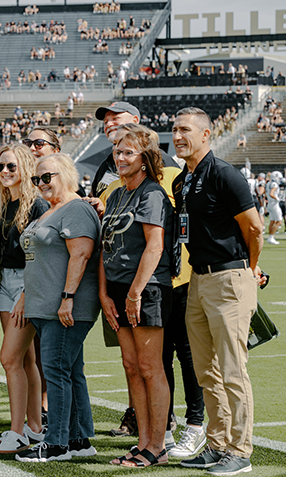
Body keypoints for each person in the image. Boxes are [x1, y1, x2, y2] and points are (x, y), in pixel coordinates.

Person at [172, 107, 263, 475]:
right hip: (198, 279)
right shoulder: (183, 179)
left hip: (229, 278)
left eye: (186, 130)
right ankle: (218, 443)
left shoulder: (225, 173)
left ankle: (240, 451)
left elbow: (254, 228)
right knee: (205, 370)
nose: (178, 136)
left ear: (207, 134)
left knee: (232, 369)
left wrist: (249, 268)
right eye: (175, 129)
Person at [15, 154, 100, 463]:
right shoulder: (52, 210)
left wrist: (67, 296)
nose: (41, 184)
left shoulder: (76, 209)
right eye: (37, 179)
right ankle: (78, 439)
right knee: (71, 371)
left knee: (57, 372)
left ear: (65, 174)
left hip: (63, 308)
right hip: (46, 306)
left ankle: (56, 444)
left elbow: (81, 254)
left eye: (46, 177)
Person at [98, 124, 173, 468]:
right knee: (130, 367)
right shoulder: (115, 194)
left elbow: (155, 246)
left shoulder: (152, 193)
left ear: (144, 159)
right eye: (117, 151)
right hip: (117, 289)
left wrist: (135, 293)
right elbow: (105, 247)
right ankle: (142, 442)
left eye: (128, 152)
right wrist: (104, 293)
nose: (120, 157)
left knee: (149, 366)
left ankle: (157, 445)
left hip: (146, 289)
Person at [0, 144, 48, 453]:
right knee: (25, 359)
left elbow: (41, 255)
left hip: (28, 284)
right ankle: (35, 426)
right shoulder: (3, 205)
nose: (5, 173)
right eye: (0, 168)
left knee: (9, 358)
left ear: (26, 168)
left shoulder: (37, 206)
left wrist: (28, 293)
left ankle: (17, 431)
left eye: (11, 167)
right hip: (7, 282)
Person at [266, 173, 281, 244]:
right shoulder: (274, 184)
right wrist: (277, 198)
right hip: (274, 204)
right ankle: (271, 237)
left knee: (272, 221)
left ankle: (270, 237)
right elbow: (271, 193)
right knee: (279, 221)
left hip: (269, 203)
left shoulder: (269, 183)